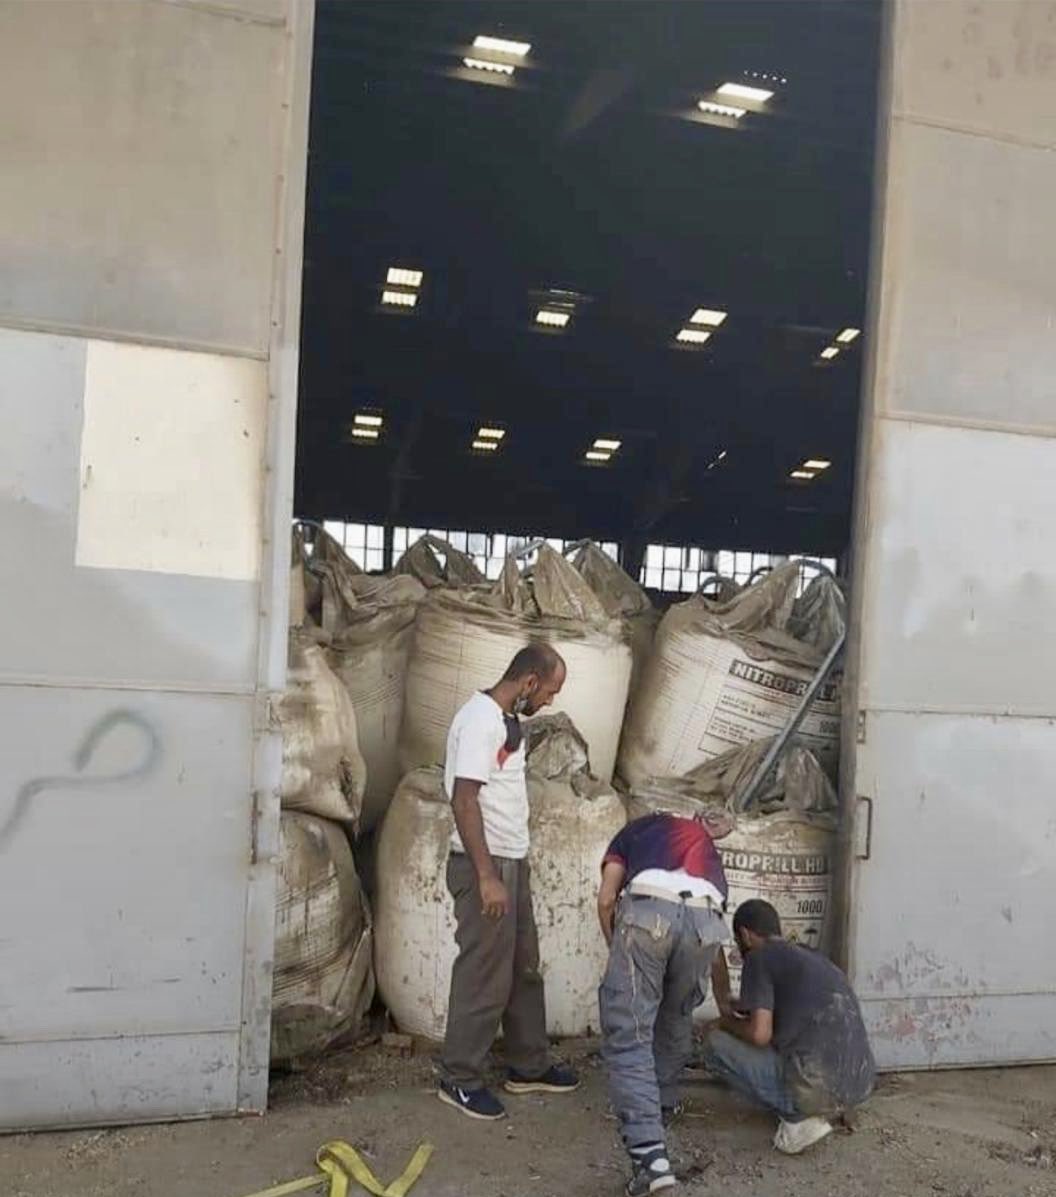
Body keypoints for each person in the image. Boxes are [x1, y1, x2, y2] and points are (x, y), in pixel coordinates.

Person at [437, 642, 579, 1120]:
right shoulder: (479, 720)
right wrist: (486, 877)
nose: (550, 703)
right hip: (486, 865)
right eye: (550, 692)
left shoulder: (502, 722)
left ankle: (529, 1066)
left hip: (510, 861)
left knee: (523, 967)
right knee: (484, 975)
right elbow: (464, 800)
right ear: (529, 682)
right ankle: (458, 1078)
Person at [597, 811, 731, 1196]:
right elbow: (714, 934)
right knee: (676, 1016)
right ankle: (661, 1108)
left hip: (648, 913)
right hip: (706, 918)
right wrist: (724, 999)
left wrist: (617, 948)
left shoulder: (631, 833)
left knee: (630, 1034)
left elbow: (607, 899)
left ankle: (651, 1162)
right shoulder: (702, 844)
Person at [700, 898, 876, 1155]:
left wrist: (724, 1022)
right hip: (858, 1086)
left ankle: (799, 1118)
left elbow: (760, 1035)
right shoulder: (811, 957)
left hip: (817, 1089)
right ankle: (830, 1111)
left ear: (745, 935)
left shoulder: (759, 957)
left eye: (739, 942)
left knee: (714, 1042)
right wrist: (746, 1007)